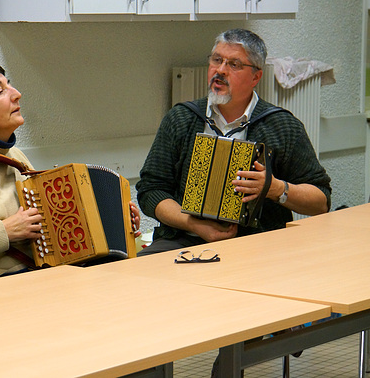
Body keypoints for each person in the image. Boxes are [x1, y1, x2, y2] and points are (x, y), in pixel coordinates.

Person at [0, 62, 141, 290]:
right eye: (0, 91)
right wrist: (5, 231)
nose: (17, 95)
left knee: (119, 280)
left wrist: (115, 220)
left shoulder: (13, 155)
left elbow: (45, 227)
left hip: (24, 279)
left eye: (9, 86)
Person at [137, 28, 331, 256]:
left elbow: (321, 200)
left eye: (234, 64)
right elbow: (151, 191)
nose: (220, 70)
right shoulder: (182, 118)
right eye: (216, 60)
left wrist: (275, 188)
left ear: (256, 77)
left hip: (259, 245)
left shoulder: (281, 125)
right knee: (141, 273)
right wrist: (193, 224)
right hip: (183, 239)